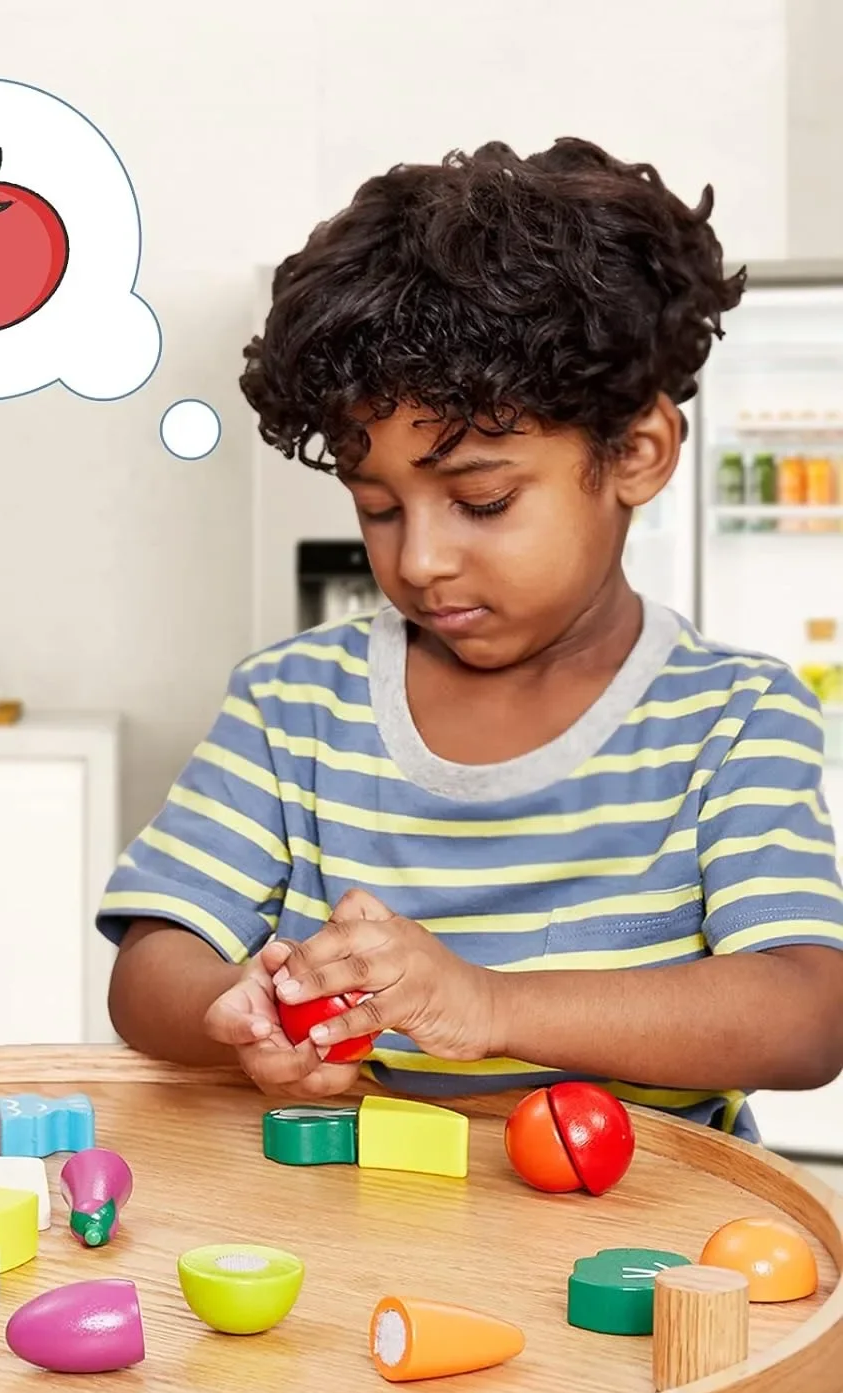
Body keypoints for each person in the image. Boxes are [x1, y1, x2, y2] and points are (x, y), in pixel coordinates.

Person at [99, 138, 843, 1142]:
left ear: (637, 452)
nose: (422, 563)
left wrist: (486, 1006)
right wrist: (232, 1008)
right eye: (379, 509)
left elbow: (805, 1015)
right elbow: (151, 965)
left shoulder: (732, 720)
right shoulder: (295, 704)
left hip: (636, 1247)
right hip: (345, 1229)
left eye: (482, 503)